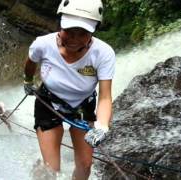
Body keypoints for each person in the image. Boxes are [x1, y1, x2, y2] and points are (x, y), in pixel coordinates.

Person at [23, 0, 115, 179]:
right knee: (51, 169)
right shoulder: (43, 44)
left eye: (83, 33)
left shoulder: (103, 53)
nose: (74, 39)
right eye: (69, 31)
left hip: (83, 107)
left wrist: (102, 125)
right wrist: (27, 80)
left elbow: (105, 96)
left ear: (94, 30)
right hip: (48, 103)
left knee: (85, 165)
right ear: (59, 26)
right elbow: (30, 63)